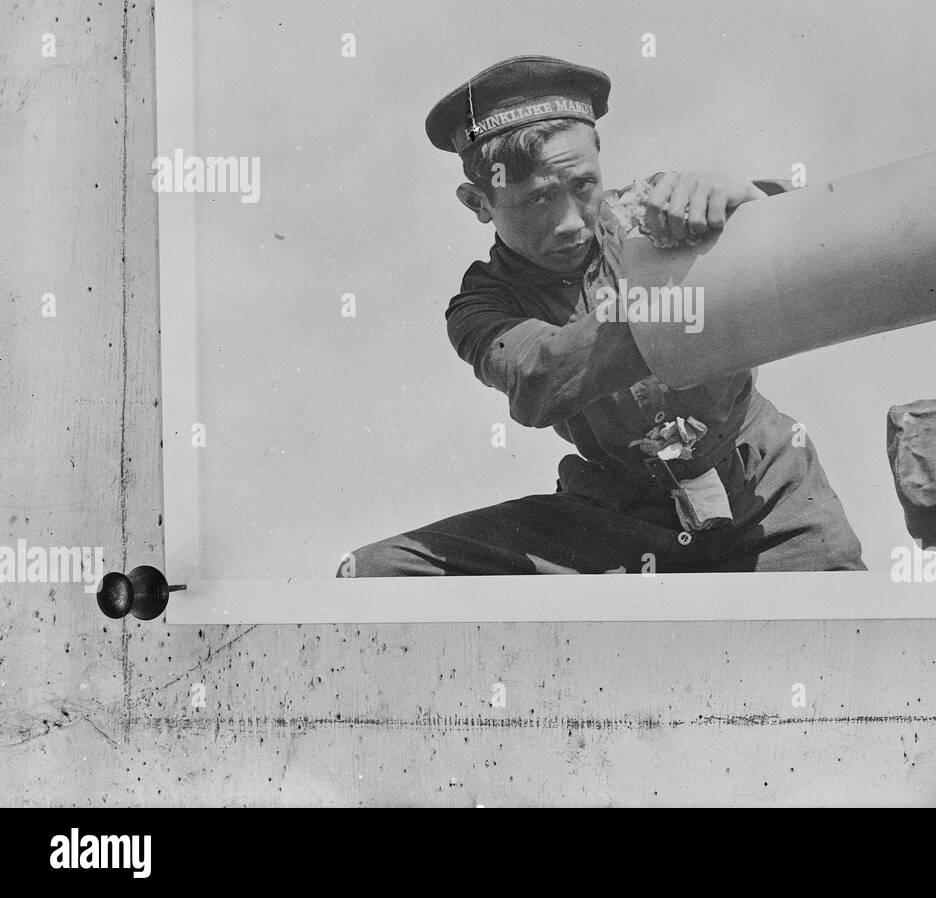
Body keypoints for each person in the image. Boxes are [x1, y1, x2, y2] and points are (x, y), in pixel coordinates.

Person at [339, 55, 864, 576]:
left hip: (767, 500)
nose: (571, 222)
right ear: (478, 201)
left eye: (583, 186)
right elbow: (539, 377)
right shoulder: (482, 305)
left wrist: (758, 207)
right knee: (379, 572)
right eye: (537, 200)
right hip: (618, 523)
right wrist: (693, 296)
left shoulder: (659, 215)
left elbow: (828, 251)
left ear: (598, 158)